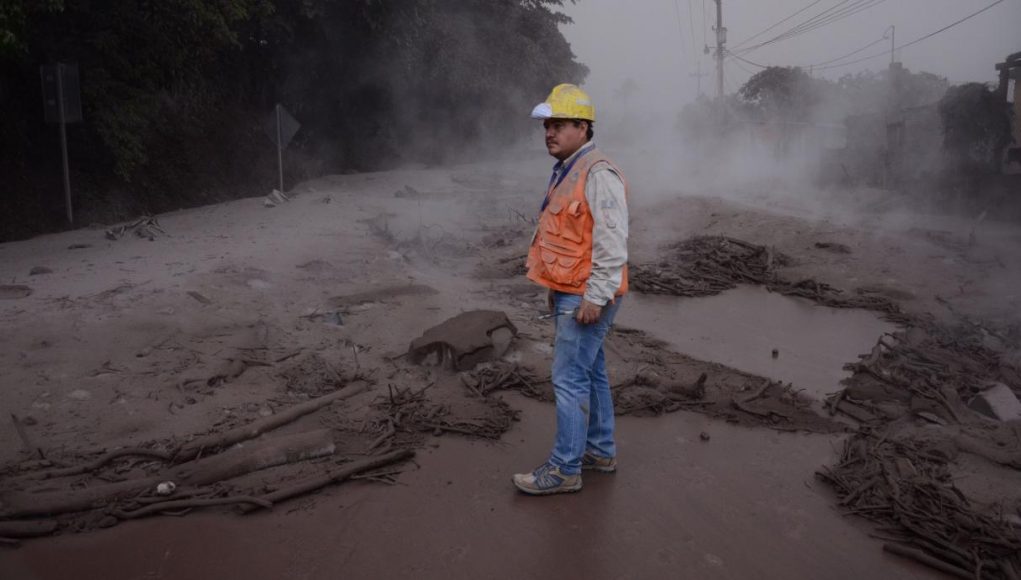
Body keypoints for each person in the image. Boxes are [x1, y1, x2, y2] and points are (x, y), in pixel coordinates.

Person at [512, 84, 629, 495]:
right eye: (547, 126)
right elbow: (569, 238)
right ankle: (599, 451)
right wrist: (555, 285)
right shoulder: (568, 168)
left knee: (568, 379)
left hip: (586, 295)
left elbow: (612, 244)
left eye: (559, 124)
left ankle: (564, 468)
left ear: (583, 127)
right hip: (573, 290)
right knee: (591, 373)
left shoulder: (598, 173)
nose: (549, 132)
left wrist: (595, 296)